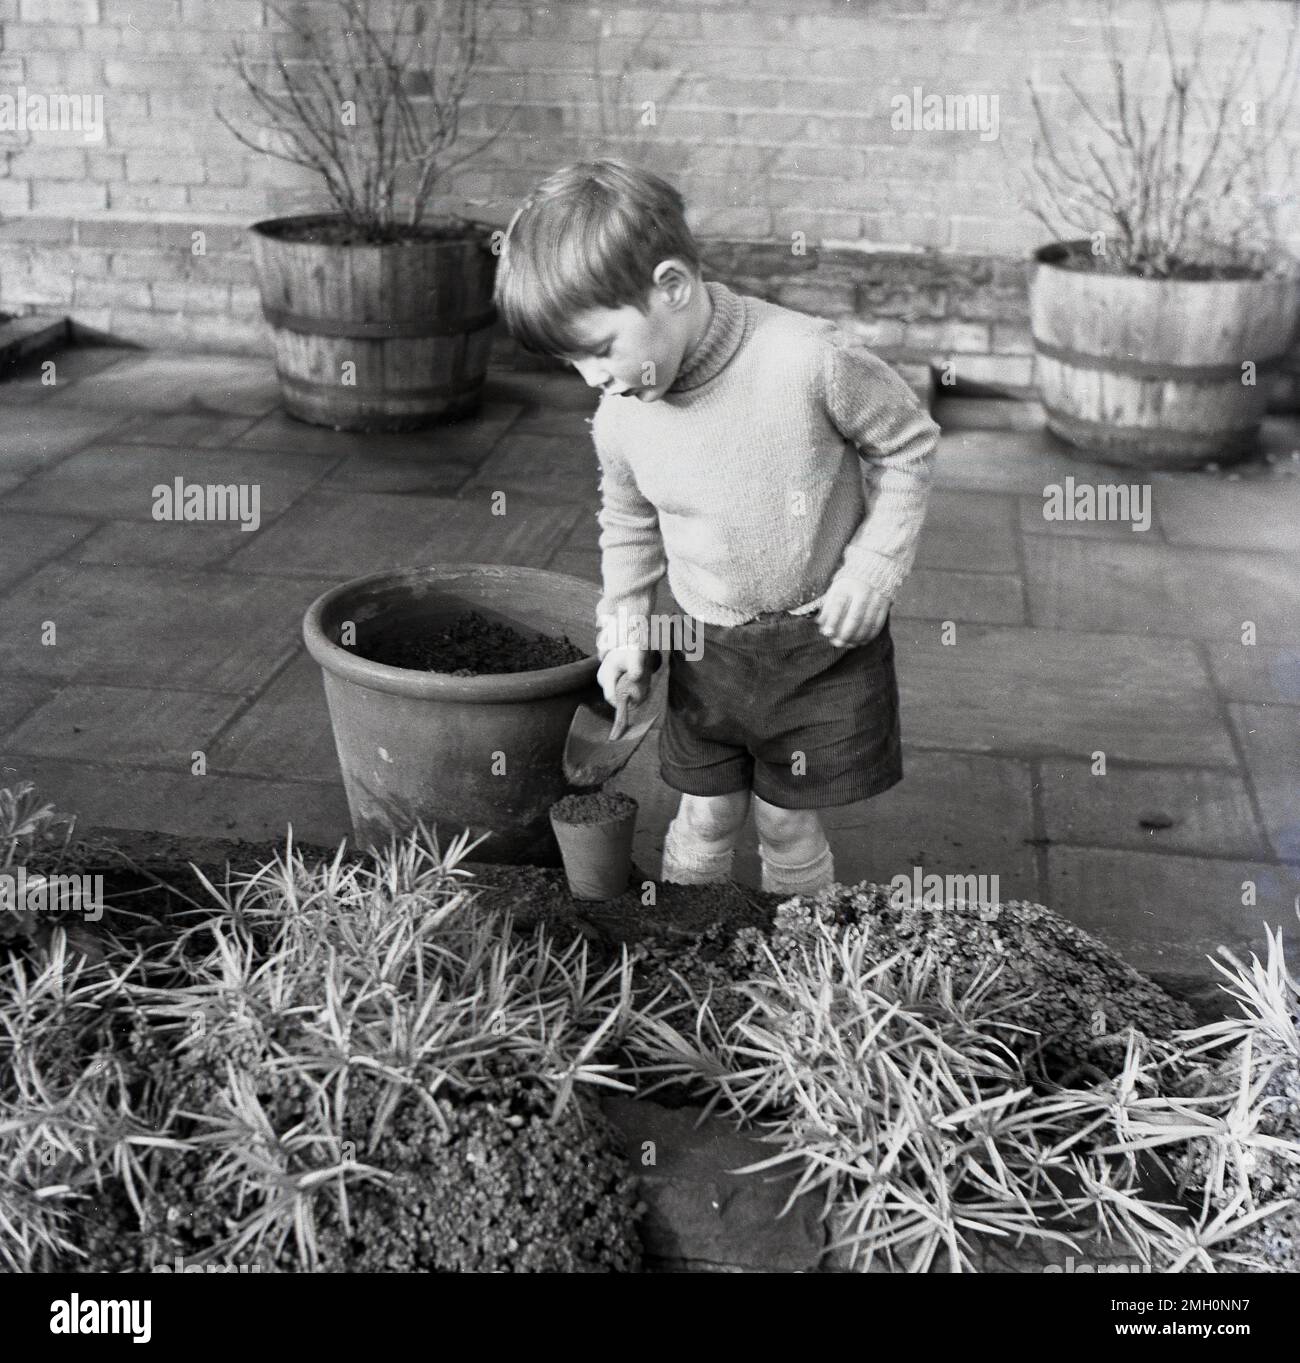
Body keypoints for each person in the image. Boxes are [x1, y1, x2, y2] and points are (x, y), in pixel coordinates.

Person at [494, 160, 939, 896]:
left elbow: (907, 444)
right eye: (571, 360)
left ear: (671, 288)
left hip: (819, 643)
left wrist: (872, 567)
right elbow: (628, 522)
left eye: (600, 348)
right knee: (704, 814)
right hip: (706, 647)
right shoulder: (621, 415)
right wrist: (627, 630)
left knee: (785, 822)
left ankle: (800, 964)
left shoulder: (808, 361)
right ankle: (688, 942)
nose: (591, 379)